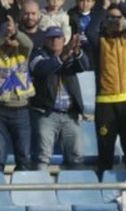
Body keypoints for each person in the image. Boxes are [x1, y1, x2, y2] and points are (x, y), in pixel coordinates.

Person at [89, 1, 126, 172]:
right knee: (105, 153)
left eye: (118, 18)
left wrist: (121, 5)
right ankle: (102, 193)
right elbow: (90, 31)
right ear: (104, 20)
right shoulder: (99, 41)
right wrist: (103, 8)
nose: (114, 21)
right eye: (110, 18)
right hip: (105, 102)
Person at [30, 24, 89, 168]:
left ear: (64, 40)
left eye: (58, 38)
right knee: (42, 156)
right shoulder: (38, 54)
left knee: (76, 156)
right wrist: (62, 57)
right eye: (51, 38)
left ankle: (76, 189)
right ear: (45, 41)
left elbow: (84, 66)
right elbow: (41, 69)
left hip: (70, 115)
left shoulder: (69, 54)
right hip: (46, 115)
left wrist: (77, 52)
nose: (55, 41)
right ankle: (40, 188)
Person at [0, 16, 36, 168]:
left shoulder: (23, 52)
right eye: (8, 37)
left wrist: (16, 32)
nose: (10, 40)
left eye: (12, 37)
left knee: (24, 156)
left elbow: (29, 43)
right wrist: (3, 36)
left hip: (21, 110)